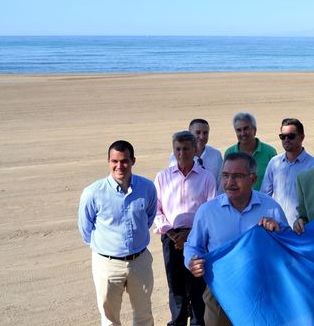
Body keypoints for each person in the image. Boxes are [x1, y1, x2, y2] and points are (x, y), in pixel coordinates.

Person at [184, 152, 289, 326]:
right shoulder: (208, 211)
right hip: (220, 293)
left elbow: (288, 245)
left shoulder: (270, 208)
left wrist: (277, 231)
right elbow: (193, 246)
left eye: (238, 176)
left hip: (262, 293)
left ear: (253, 178)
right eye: (225, 175)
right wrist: (192, 261)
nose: (230, 182)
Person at [78, 140, 157, 326]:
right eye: (115, 161)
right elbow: (85, 229)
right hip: (107, 264)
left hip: (140, 262)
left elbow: (149, 217)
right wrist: (108, 249)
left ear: (133, 161)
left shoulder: (147, 188)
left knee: (144, 315)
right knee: (109, 319)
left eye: (124, 161)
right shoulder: (93, 193)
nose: (119, 166)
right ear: (108, 161)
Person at [155, 131, 217, 326]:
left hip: (198, 238)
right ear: (173, 151)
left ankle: (198, 322)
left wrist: (190, 234)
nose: (182, 153)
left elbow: (210, 208)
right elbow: (155, 209)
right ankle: (178, 321)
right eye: (178, 149)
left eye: (186, 149)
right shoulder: (163, 177)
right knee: (176, 285)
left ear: (195, 150)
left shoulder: (206, 177)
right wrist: (173, 234)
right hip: (171, 238)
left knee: (198, 283)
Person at [260, 118, 314, 226]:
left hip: (301, 230)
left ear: (302, 137)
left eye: (291, 136)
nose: (286, 139)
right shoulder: (274, 163)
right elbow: (264, 196)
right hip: (276, 229)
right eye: (283, 136)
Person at [224, 112, 276, 191]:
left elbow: (275, 182)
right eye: (238, 130)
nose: (243, 133)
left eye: (246, 128)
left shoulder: (270, 152)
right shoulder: (229, 153)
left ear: (254, 130)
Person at [169, 119, 224, 190]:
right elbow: (174, 181)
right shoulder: (177, 156)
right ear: (189, 134)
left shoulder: (216, 155)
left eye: (205, 133)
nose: (202, 137)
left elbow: (220, 181)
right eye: (198, 132)